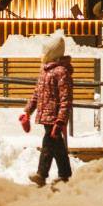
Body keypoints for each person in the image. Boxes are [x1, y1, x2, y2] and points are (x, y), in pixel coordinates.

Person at [20, 34, 74, 186]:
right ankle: (65, 175)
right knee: (57, 148)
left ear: (52, 54)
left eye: (44, 52)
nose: (41, 55)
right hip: (46, 116)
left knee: (48, 146)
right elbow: (37, 93)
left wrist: (61, 119)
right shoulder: (45, 71)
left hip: (55, 118)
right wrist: (28, 110)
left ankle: (41, 174)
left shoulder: (61, 72)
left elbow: (66, 99)